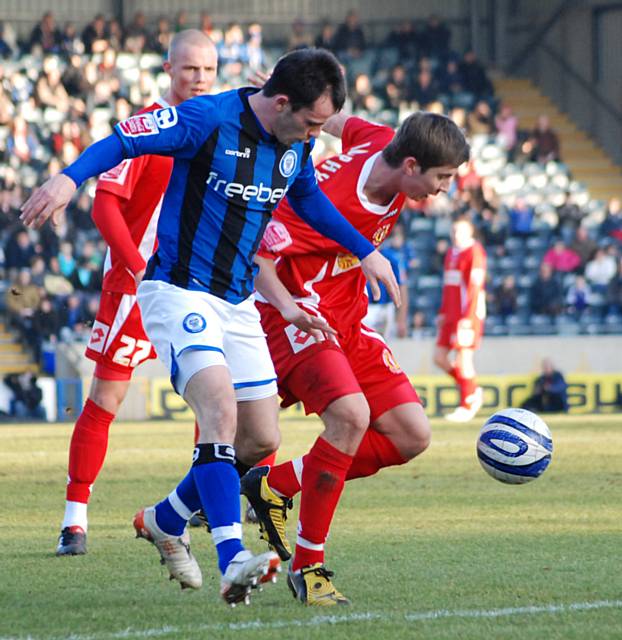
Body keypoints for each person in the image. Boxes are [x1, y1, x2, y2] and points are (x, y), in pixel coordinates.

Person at [21, 48, 399, 606]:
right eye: (313, 122)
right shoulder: (209, 119)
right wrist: (68, 178)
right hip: (176, 290)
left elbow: (310, 200)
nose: (317, 134)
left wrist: (364, 251)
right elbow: (125, 138)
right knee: (219, 413)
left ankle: (164, 519)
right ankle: (232, 559)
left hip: (239, 301)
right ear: (280, 101)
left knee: (261, 438)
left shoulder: (296, 145)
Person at [242, 111, 469, 605]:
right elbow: (256, 254)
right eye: (441, 178)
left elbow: (342, 124)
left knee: (412, 434)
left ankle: (271, 486)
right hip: (297, 317)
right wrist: (287, 307)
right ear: (411, 165)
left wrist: (301, 110)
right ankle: (310, 568)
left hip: (348, 321)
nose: (442, 190)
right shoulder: (321, 205)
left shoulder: (385, 139)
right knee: (350, 417)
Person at [52, 30, 218, 558]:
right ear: (168, 68)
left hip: (196, 285)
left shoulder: (218, 128)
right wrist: (138, 267)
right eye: (190, 69)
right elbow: (105, 206)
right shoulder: (149, 127)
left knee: (214, 401)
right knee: (106, 399)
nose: (199, 79)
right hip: (135, 284)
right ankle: (75, 520)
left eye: (208, 71)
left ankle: (194, 511)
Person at [433, 216, 487, 422]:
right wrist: (443, 312)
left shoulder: (474, 252)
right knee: (439, 357)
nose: (456, 235)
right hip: (451, 314)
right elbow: (449, 287)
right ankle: (472, 390)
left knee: (464, 359)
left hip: (468, 314)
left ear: (470, 233)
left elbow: (474, 287)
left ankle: (467, 404)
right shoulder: (450, 253)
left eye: (460, 231)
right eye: (454, 231)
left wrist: (467, 317)